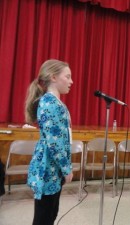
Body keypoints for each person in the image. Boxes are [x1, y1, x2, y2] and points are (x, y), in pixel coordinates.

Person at [25, 59, 74, 225]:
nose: (71, 81)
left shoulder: (56, 102)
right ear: (53, 77)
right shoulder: (50, 103)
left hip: (54, 169)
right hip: (48, 169)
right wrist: (67, 169)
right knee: (44, 217)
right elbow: (55, 143)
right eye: (67, 77)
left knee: (51, 213)